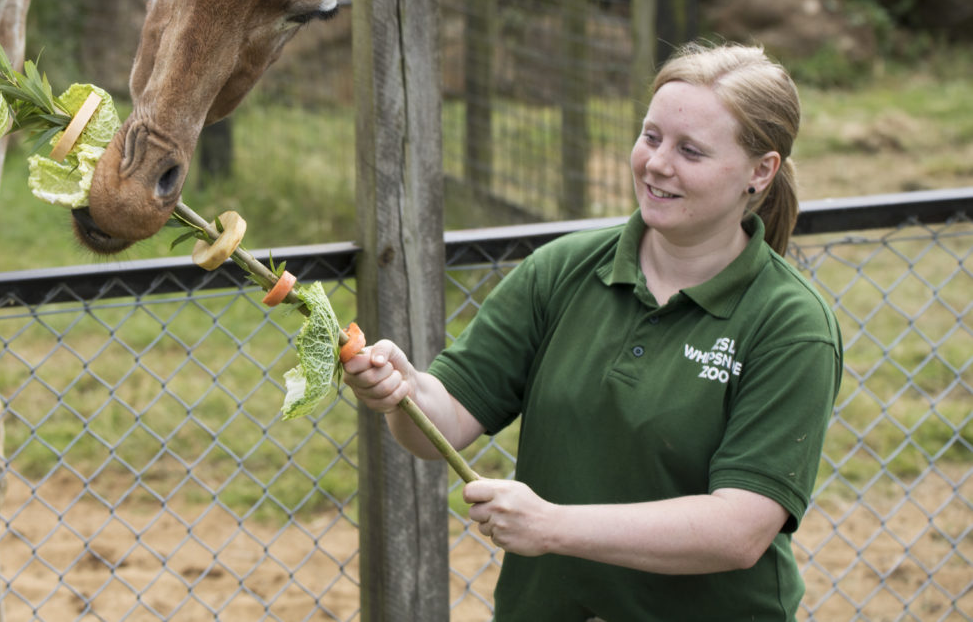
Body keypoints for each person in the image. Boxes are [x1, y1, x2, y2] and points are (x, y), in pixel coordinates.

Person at [343, 41, 843, 621]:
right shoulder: (561, 271)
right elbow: (444, 422)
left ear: (761, 171)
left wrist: (554, 527)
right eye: (651, 137)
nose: (657, 163)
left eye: (691, 151)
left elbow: (738, 530)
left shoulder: (790, 324)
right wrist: (404, 391)